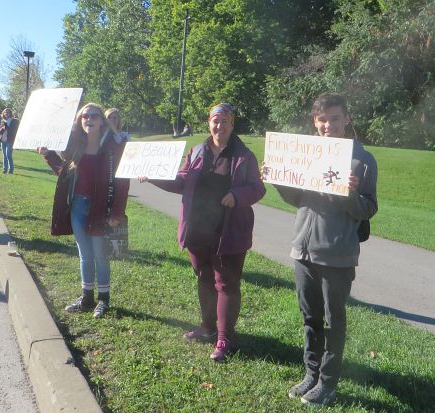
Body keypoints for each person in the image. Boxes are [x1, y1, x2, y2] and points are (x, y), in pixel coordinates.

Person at [270, 94, 378, 407]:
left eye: (334, 118)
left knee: (333, 322)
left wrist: (349, 193)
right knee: (310, 319)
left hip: (337, 255)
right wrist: (278, 177)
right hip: (303, 249)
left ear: (346, 119)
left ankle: (328, 384)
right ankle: (310, 375)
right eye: (322, 119)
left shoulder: (363, 159)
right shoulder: (309, 154)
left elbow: (368, 209)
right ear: (314, 123)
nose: (327, 125)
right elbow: (297, 199)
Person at [138, 103, 265, 361]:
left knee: (226, 283)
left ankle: (224, 338)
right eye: (215, 121)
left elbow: (257, 188)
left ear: (232, 125)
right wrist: (153, 176)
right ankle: (207, 327)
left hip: (229, 229)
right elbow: (181, 181)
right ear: (209, 123)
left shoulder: (244, 156)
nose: (220, 126)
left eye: (225, 121)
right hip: (198, 227)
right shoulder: (197, 151)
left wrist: (236, 195)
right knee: (204, 278)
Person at [37, 103, 129, 318]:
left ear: (101, 120)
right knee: (84, 255)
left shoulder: (113, 147)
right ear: (80, 120)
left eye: (94, 116)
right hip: (78, 206)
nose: (89, 119)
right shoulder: (75, 146)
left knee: (100, 255)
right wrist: (49, 155)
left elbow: (122, 180)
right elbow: (65, 173)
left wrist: (117, 211)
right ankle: (87, 297)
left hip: (101, 207)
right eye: (84, 116)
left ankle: (103, 300)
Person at [0, 108, 20, 174]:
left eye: (8, 112)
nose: (6, 113)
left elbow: (14, 131)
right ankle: (5, 169)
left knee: (8, 155)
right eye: (5, 112)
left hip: (10, 140)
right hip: (3, 140)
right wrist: (3, 128)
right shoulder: (3, 121)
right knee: (4, 155)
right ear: (3, 114)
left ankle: (11, 170)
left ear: (10, 113)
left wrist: (6, 126)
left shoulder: (14, 121)